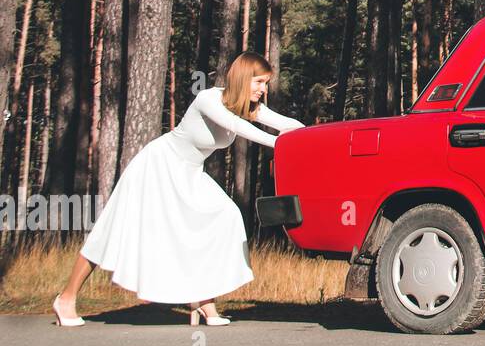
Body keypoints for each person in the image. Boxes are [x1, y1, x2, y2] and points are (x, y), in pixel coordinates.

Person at [51, 52, 305, 326]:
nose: (263, 90)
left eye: (266, 84)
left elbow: (288, 124)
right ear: (243, 78)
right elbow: (238, 127)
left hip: (190, 172)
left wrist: (312, 137)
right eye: (259, 82)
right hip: (158, 165)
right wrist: (280, 144)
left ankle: (204, 301)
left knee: (226, 216)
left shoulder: (250, 107)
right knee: (111, 231)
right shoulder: (209, 99)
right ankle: (66, 299)